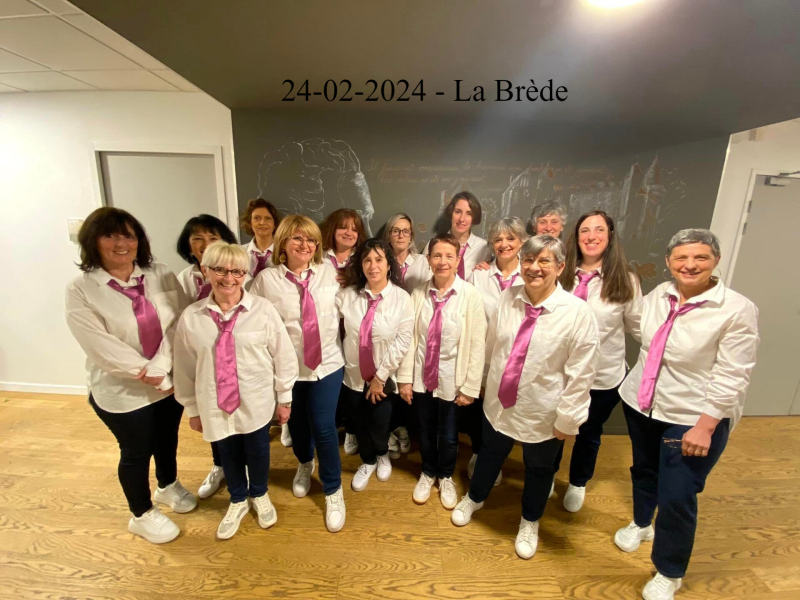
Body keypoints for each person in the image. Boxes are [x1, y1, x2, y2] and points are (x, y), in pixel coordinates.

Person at [614, 229, 759, 600]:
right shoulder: (658, 296)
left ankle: (669, 570)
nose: (690, 265)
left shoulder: (735, 309)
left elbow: (734, 374)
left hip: (692, 417)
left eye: (700, 257)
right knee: (644, 470)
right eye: (681, 257)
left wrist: (706, 426)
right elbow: (641, 334)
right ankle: (641, 523)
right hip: (642, 403)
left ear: (715, 261)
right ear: (669, 261)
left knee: (678, 494)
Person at [450, 235, 599, 561]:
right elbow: (493, 344)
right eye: (529, 260)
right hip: (499, 404)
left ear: (560, 267)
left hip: (542, 411)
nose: (534, 267)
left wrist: (568, 420)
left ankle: (530, 520)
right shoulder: (509, 298)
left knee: (539, 469)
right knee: (489, 454)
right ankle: (475, 496)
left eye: (544, 261)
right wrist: (482, 383)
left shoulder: (577, 313)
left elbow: (582, 374)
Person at [65, 207, 196, 544]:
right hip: (122, 390)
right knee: (137, 450)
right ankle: (141, 513)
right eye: (111, 235)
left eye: (129, 235)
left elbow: (180, 320)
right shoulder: (81, 289)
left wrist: (163, 366)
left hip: (167, 380)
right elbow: (99, 345)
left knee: (166, 438)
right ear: (93, 241)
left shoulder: (160, 273)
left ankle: (167, 484)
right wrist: (148, 371)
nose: (121, 243)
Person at [174, 242, 298, 539]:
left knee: (258, 449)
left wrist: (285, 398)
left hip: (255, 399)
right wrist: (192, 408)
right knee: (227, 451)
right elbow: (185, 366)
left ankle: (259, 492)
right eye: (220, 270)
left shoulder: (263, 310)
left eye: (237, 272)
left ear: (245, 274)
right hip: (214, 401)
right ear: (206, 270)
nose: (229, 278)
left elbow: (283, 355)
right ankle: (238, 498)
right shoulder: (192, 317)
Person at [250, 215, 347, 532]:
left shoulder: (329, 272)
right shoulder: (266, 281)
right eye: (298, 238)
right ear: (284, 243)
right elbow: (255, 321)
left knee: (324, 426)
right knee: (297, 424)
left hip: (327, 364)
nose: (305, 245)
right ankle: (305, 463)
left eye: (311, 240)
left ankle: (333, 489)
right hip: (288, 370)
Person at [554, 211, 642, 512]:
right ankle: (548, 475)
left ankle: (578, 482)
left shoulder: (626, 280)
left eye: (599, 230)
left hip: (602, 376)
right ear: (576, 237)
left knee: (588, 433)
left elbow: (640, 328)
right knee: (553, 429)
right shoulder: (559, 273)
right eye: (585, 231)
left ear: (610, 236)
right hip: (559, 372)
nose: (591, 236)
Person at [397, 233, 486, 510]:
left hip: (451, 378)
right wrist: (405, 379)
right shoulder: (418, 294)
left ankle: (446, 475)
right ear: (428, 259)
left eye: (449, 256)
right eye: (437, 255)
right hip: (422, 376)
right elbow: (410, 339)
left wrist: (470, 387)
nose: (443, 261)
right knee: (424, 428)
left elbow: (477, 343)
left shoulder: (470, 296)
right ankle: (428, 472)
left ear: (458, 260)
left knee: (448, 433)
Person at [337, 238, 414, 492]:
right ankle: (368, 460)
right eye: (367, 260)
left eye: (379, 260)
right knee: (358, 423)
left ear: (388, 265)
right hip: (353, 376)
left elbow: (403, 341)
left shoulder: (402, 299)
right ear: (361, 265)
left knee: (380, 424)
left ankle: (382, 454)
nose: (373, 266)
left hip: (383, 379)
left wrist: (380, 378)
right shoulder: (348, 296)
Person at [175, 214, 241, 499]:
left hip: (236, 357)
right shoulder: (184, 279)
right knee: (212, 414)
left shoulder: (237, 274)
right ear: (189, 246)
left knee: (241, 415)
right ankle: (219, 464)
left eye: (213, 238)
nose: (205, 244)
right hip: (205, 359)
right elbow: (180, 322)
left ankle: (243, 466)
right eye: (198, 239)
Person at [466, 217, 528, 485]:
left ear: (522, 242)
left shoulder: (530, 275)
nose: (504, 244)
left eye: (510, 238)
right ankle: (480, 452)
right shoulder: (479, 275)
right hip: (484, 354)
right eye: (498, 239)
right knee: (481, 406)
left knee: (510, 408)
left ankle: (501, 457)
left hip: (517, 358)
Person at [239, 198, 291, 447]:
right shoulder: (240, 253)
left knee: (281, 366)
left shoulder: (284, 252)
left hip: (280, 318)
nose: (262, 223)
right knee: (260, 370)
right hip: (248, 319)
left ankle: (285, 420)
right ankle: (264, 419)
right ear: (249, 222)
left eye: (267, 218)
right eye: (257, 218)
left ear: (275, 223)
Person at [320, 208, 368, 455]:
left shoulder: (364, 258)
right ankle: (333, 424)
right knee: (330, 378)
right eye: (343, 227)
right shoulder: (318, 256)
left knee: (351, 379)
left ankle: (351, 428)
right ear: (332, 229)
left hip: (352, 326)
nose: (349, 232)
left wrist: (353, 279)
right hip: (324, 326)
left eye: (354, 229)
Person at [383, 212, 432, 455]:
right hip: (387, 330)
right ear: (389, 235)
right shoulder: (380, 259)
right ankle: (391, 428)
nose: (401, 235)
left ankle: (405, 427)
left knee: (409, 380)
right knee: (389, 380)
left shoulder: (422, 262)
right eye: (396, 230)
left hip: (414, 332)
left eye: (406, 231)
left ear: (411, 235)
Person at [424, 192, 491, 281]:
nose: (462, 219)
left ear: (474, 217)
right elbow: (424, 279)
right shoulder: (434, 245)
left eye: (469, 213)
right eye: (458, 212)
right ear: (451, 213)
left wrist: (486, 272)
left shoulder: (484, 248)